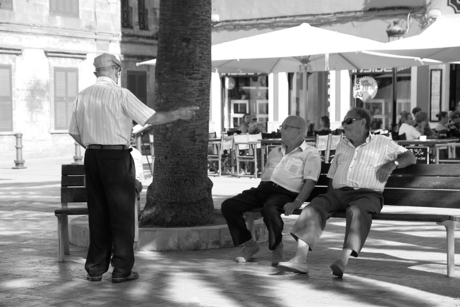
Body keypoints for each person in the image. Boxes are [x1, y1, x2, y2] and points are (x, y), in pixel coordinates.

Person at [69, 53, 198, 283]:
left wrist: (94, 147)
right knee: (122, 215)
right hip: (116, 158)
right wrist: (178, 114)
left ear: (96, 72)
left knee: (97, 214)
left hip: (92, 157)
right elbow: (151, 118)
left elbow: (74, 132)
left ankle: (96, 269)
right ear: (117, 70)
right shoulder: (121, 94)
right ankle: (121, 270)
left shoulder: (83, 95)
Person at [277, 108, 416, 277]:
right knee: (315, 206)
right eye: (343, 122)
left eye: (348, 121)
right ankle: (300, 259)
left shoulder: (382, 142)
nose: (344, 125)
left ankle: (342, 260)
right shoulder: (342, 144)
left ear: (363, 122)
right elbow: (332, 174)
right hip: (339, 193)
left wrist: (392, 164)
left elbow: (410, 157)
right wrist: (328, 198)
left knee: (357, 211)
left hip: (368, 194)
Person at [221, 115, 321, 266]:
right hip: (263, 189)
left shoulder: (310, 153)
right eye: (282, 126)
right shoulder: (275, 151)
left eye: (286, 127)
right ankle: (249, 245)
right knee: (229, 205)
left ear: (299, 132)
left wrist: (296, 202)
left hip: (285, 193)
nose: (281, 130)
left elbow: (310, 182)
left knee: (269, 210)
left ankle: (276, 247)